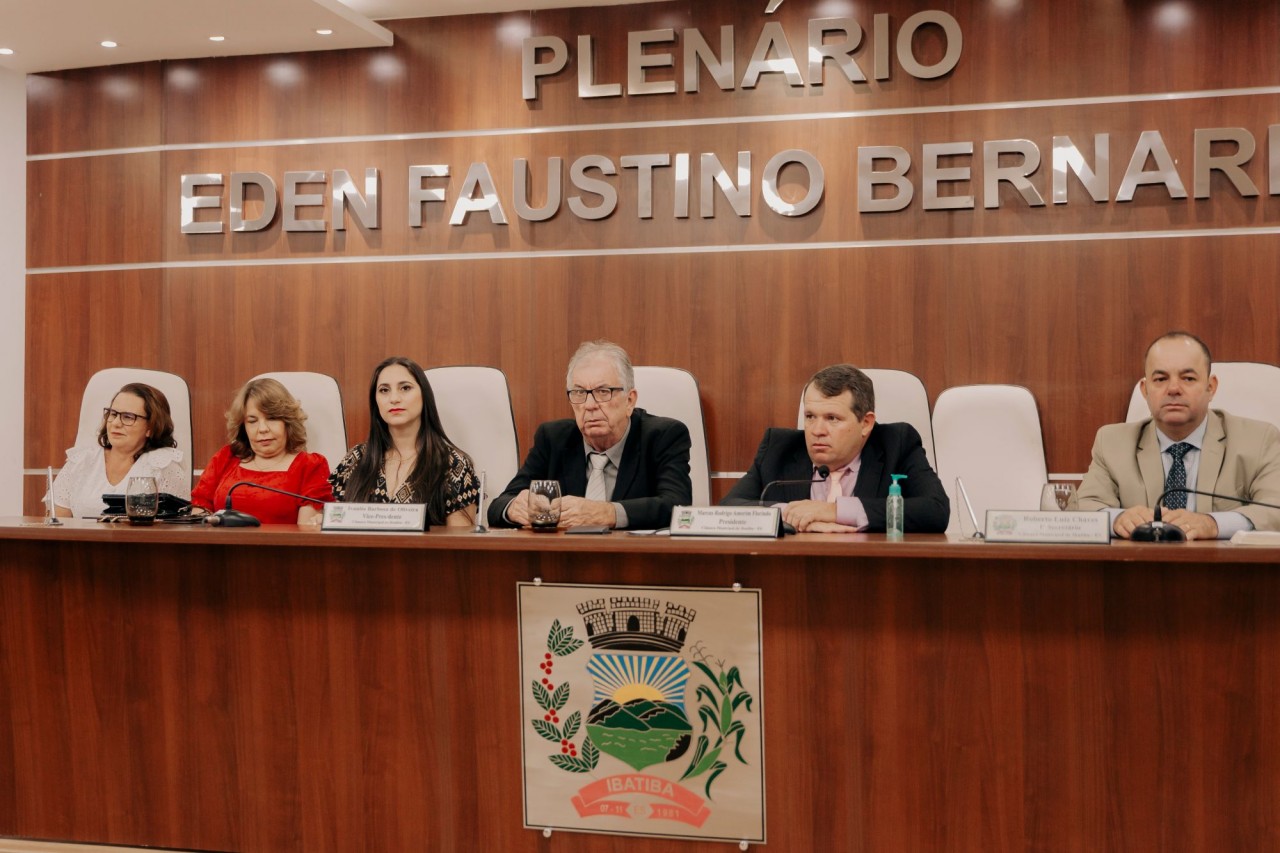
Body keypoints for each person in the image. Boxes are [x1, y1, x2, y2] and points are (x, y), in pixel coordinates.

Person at [1077, 331, 1280, 539]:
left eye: (1188, 378)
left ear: (1210, 388)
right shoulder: (1112, 443)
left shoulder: (1259, 440)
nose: (1173, 388)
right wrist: (1118, 519)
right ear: (1145, 390)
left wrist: (1212, 524)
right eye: (1161, 378)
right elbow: (1082, 507)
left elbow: (1275, 510)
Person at [488, 340, 693, 530]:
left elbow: (677, 507)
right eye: (579, 393)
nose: (589, 405)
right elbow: (499, 506)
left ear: (630, 401)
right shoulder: (553, 438)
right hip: (564, 562)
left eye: (603, 392)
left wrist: (607, 512)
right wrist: (515, 508)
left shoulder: (663, 436)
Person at [722, 363, 949, 533]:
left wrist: (833, 512)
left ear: (866, 423)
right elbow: (728, 509)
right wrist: (794, 514)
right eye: (810, 416)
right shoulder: (778, 448)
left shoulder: (896, 444)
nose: (817, 430)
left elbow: (935, 510)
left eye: (832, 418)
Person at [331, 356, 479, 526]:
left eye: (405, 388)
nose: (394, 398)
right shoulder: (356, 458)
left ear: (424, 396)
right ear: (375, 401)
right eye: (384, 390)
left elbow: (458, 542)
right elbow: (333, 520)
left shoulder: (453, 464)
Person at [190, 377, 333, 525]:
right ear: (243, 427)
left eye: (272, 418)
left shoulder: (310, 466)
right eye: (252, 421)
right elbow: (200, 509)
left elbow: (306, 533)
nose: (263, 429)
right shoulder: (225, 458)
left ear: (287, 422)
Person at [51, 382, 189, 518]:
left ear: (150, 427)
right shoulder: (80, 461)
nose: (116, 423)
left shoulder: (163, 466)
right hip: (78, 541)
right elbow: (57, 525)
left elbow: (175, 529)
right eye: (113, 414)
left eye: (128, 417)